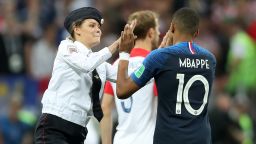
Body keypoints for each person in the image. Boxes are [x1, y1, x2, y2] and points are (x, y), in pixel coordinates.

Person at [34, 7, 135, 144]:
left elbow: (128, 79)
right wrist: (117, 44)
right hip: (56, 125)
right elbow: (85, 65)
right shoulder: (67, 47)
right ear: (77, 29)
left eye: (99, 26)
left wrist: (157, 57)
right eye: (92, 25)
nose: (98, 29)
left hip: (80, 130)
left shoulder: (98, 62)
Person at [116, 7, 216, 144]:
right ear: (197, 32)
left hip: (170, 138)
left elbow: (122, 90)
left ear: (172, 27)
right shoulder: (210, 59)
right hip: (201, 138)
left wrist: (124, 53)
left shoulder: (160, 57)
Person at [100, 10, 159, 144]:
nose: (159, 34)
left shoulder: (118, 65)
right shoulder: (155, 65)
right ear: (150, 33)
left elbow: (105, 107)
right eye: (157, 31)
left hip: (121, 140)